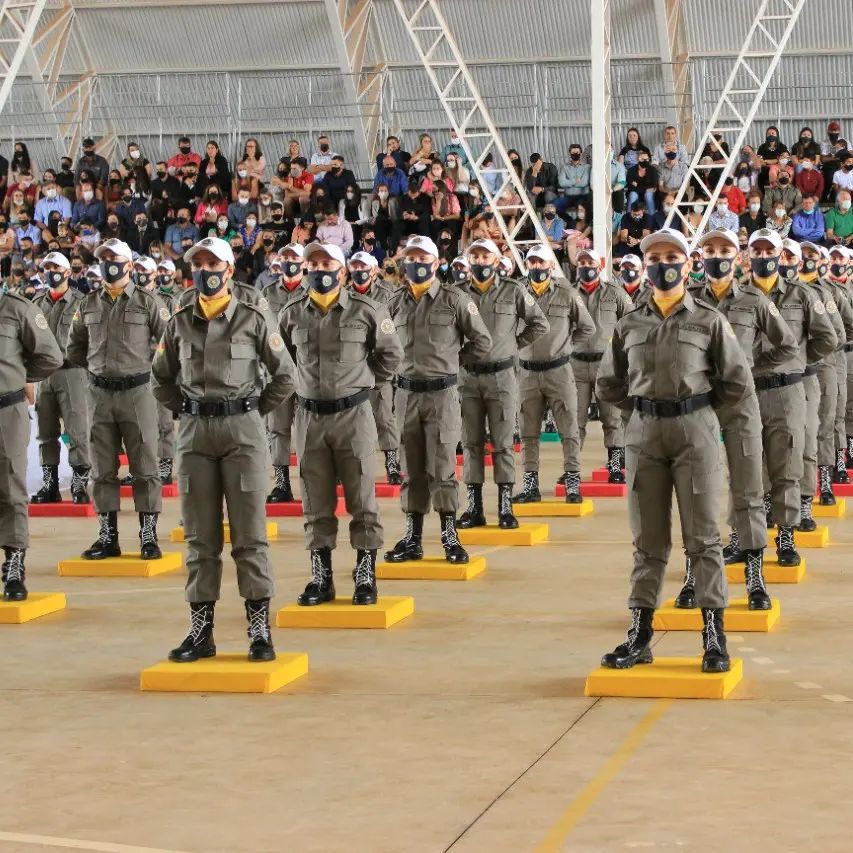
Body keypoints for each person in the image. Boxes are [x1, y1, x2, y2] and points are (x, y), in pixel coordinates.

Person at [596, 227, 756, 674]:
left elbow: (737, 382)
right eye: (655, 258)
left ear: (689, 265)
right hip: (644, 433)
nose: (662, 264)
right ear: (645, 267)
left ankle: (713, 636)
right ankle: (640, 635)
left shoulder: (709, 320)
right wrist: (645, 408)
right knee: (647, 541)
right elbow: (608, 384)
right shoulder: (629, 322)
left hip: (695, 432)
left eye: (672, 257)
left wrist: (696, 409)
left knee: (703, 538)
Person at [152, 236, 295, 663]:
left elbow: (285, 376)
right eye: (198, 264)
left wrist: (250, 411)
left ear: (230, 271)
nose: (205, 270)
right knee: (200, 539)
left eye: (214, 263)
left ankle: (258, 630)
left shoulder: (252, 318)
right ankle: (201, 631)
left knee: (250, 537)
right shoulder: (178, 321)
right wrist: (188, 410)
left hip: (243, 436)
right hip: (195, 437)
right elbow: (160, 378)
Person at [674, 229, 798, 611]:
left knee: (748, 487)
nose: (717, 256)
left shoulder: (754, 299)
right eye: (710, 250)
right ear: (700, 257)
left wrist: (748, 370)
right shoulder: (687, 300)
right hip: (697, 406)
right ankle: (696, 574)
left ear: (738, 256)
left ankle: (755, 576)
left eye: (725, 249)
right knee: (699, 491)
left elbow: (787, 345)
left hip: (741, 404)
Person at [279, 241, 401, 606]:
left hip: (354, 416)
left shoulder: (367, 310)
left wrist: (361, 384)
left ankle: (365, 574)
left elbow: (391, 355)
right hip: (310, 417)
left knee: (362, 496)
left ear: (342, 269)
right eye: (313, 262)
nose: (319, 269)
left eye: (327, 262)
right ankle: (322, 576)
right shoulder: (291, 314)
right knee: (315, 502)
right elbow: (282, 359)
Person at [384, 235, 492, 565]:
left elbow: (482, 341)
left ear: (435, 262)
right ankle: (413, 536)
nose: (415, 264)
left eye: (422, 258)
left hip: (442, 396)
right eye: (410, 258)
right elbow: (381, 344)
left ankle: (449, 535)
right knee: (411, 466)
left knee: (443, 466)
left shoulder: (456, 300)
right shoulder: (394, 302)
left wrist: (450, 362)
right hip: (405, 395)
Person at [66, 238, 169, 561]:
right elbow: (75, 348)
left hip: (138, 393)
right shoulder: (87, 304)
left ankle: (148, 535)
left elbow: (169, 342)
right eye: (103, 258)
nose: (108, 263)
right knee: (102, 468)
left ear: (128, 265)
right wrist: (99, 370)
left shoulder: (148, 302)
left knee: (145, 466)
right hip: (98, 394)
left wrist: (151, 370)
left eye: (114, 258)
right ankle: (108, 536)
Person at [747, 230, 835, 558]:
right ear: (748, 255)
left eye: (771, 250)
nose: (765, 256)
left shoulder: (802, 295)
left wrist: (799, 359)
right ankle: (749, 538)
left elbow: (827, 337)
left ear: (781, 254)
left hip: (787, 390)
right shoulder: (738, 296)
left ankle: (786, 537)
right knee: (747, 467)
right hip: (747, 393)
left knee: (789, 463)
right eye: (757, 250)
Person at [453, 238, 549, 530]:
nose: (480, 261)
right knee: (471, 443)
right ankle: (474, 506)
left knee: (503, 443)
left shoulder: (513, 290)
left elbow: (539, 324)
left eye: (486, 256)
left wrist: (512, 345)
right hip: (468, 378)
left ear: (496, 261)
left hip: (503, 377)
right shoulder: (456, 294)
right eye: (475, 256)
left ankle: (505, 506)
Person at [512, 246, 595, 504]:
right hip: (527, 374)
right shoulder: (516, 292)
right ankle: (530, 486)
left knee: (569, 429)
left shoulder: (566, 293)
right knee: (528, 433)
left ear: (551, 266)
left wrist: (567, 347)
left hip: (559, 371)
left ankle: (572, 483)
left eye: (541, 262)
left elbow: (587, 327)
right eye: (532, 262)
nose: (536, 267)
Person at [0, 278, 63, 599]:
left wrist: (18, 375)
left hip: (5, 411)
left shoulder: (16, 309)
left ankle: (14, 563)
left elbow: (50, 356)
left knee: (10, 487)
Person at [27, 252, 91, 506]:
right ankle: (50, 484)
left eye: (56, 267)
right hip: (44, 375)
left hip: (73, 373)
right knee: (46, 432)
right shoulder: (37, 302)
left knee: (78, 432)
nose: (50, 271)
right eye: (47, 267)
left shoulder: (81, 302)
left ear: (67, 272)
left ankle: (79, 485)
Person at [571, 248, 634, 483]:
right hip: (576, 366)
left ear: (599, 266)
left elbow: (630, 322)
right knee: (574, 420)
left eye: (590, 262)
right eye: (582, 262)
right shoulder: (569, 293)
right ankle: (572, 471)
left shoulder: (615, 293)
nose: (586, 266)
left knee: (612, 418)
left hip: (606, 365)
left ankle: (615, 468)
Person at [797, 240, 846, 510]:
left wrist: (813, 353)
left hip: (823, 366)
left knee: (825, 424)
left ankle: (824, 481)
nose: (806, 259)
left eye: (811, 255)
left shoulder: (826, 293)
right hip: (792, 372)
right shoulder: (784, 291)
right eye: (802, 255)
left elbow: (840, 332)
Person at [345, 250, 401, 484]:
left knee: (384, 418)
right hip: (352, 369)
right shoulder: (343, 295)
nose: (359, 271)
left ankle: (391, 464)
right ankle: (350, 467)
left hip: (379, 366)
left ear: (374, 270)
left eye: (363, 267)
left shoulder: (389, 295)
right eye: (355, 267)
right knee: (349, 422)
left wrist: (385, 370)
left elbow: (396, 333)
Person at [262, 244, 306, 504]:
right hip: (277, 372)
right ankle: (282, 483)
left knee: (308, 431)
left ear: (304, 263)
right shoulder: (266, 294)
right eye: (285, 257)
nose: (289, 262)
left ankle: (311, 481)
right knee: (277, 429)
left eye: (294, 258)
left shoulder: (313, 291)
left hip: (307, 372)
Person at [822, 245, 853, 486]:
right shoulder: (819, 290)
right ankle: (824, 469)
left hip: (841, 355)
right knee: (824, 415)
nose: (835, 261)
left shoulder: (838, 292)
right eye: (831, 257)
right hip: (820, 360)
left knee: (841, 409)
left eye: (839, 257)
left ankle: (842, 460)